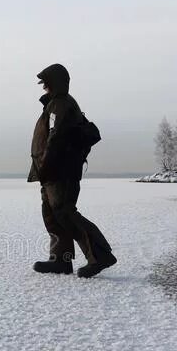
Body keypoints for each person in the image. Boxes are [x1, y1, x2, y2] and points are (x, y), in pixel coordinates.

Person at [27, 63, 117, 278]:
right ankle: (60, 259)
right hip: (51, 172)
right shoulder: (54, 104)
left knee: (65, 213)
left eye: (46, 84)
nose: (43, 88)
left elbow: (55, 137)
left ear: (55, 83)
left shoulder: (61, 104)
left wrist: (46, 165)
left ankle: (100, 255)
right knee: (52, 215)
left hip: (60, 171)